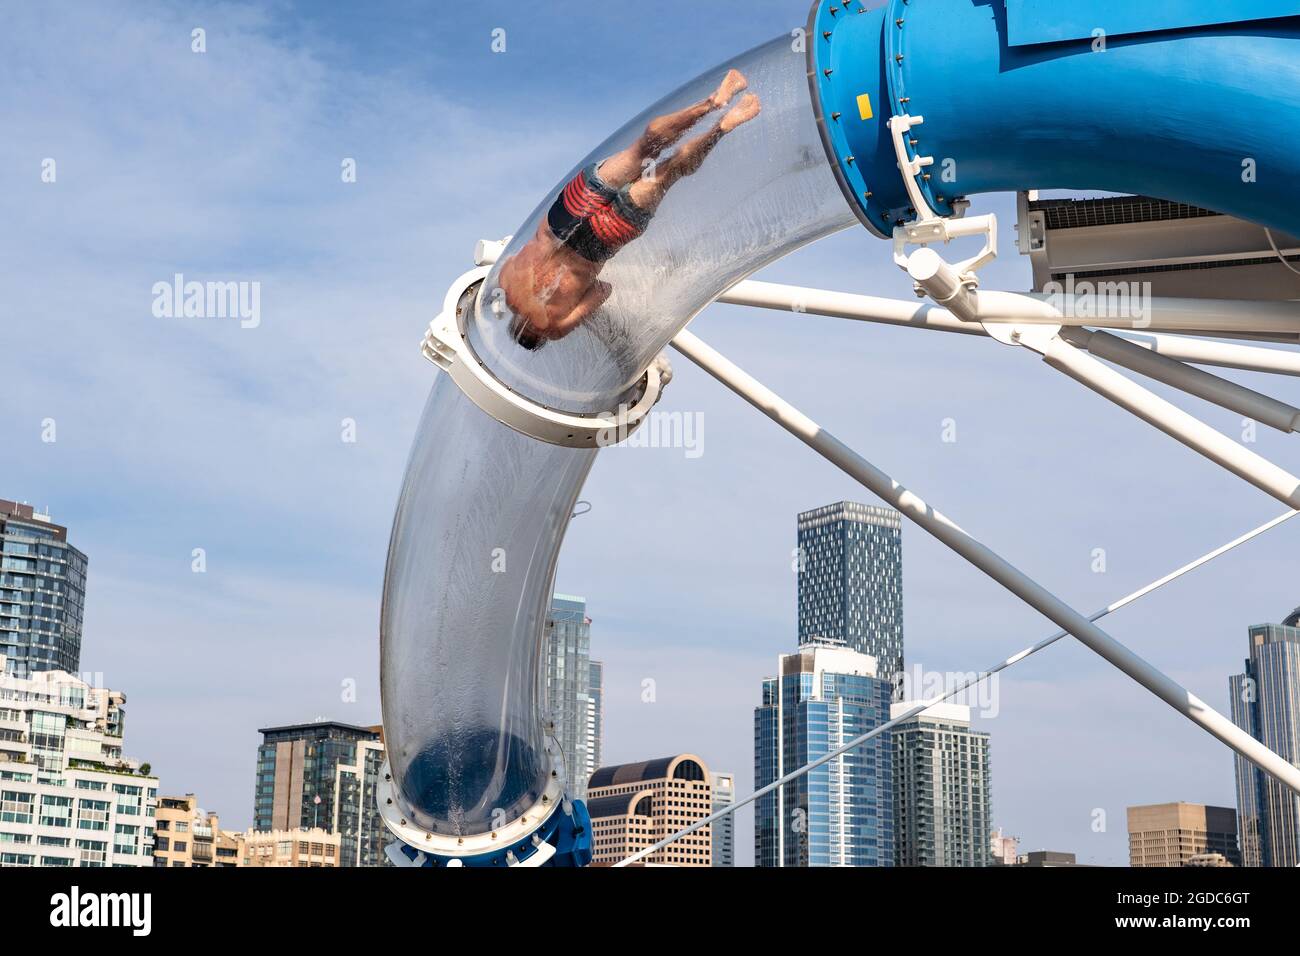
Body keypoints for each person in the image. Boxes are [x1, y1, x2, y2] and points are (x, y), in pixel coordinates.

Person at [495, 69, 762, 349]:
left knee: (669, 171)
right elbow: (518, 251)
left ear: (538, 339)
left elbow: (602, 291)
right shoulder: (506, 283)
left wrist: (573, 287)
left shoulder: (555, 327)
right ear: (513, 321)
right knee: (643, 148)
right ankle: (711, 103)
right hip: (567, 215)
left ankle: (722, 126)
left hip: (599, 243)